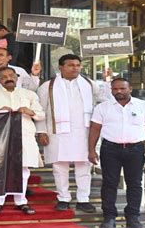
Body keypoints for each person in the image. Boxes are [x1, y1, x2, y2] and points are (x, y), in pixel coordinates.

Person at [35, 54, 107, 214]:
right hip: (57, 133)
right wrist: (41, 131)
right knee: (60, 168)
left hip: (84, 131)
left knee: (84, 167)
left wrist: (107, 82)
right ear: (61, 67)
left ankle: (83, 199)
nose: (75, 68)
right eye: (71, 65)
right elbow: (41, 110)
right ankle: (63, 199)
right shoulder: (48, 86)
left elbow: (103, 100)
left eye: (77, 65)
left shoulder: (89, 84)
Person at [88, 78, 145, 228]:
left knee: (134, 183)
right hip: (110, 149)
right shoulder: (102, 108)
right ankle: (109, 217)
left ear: (130, 89)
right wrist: (91, 150)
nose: (119, 92)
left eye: (122, 88)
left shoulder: (144, 106)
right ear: (111, 90)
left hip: (136, 149)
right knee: (109, 184)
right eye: (115, 89)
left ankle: (133, 217)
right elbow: (94, 129)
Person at [0, 67, 45, 215]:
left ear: (17, 77)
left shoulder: (29, 94)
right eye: (4, 76)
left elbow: (41, 115)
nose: (8, 78)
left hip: (24, 135)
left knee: (23, 169)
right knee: (0, 169)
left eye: (11, 75)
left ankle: (21, 201)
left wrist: (29, 111)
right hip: (0, 137)